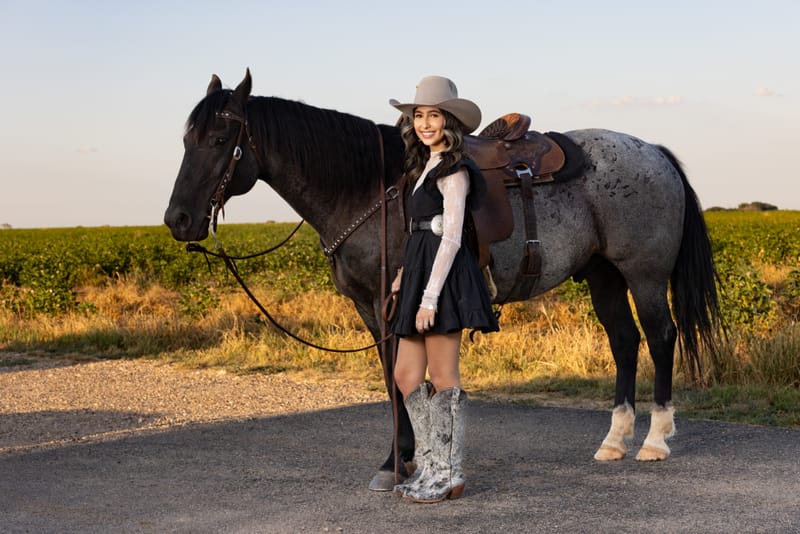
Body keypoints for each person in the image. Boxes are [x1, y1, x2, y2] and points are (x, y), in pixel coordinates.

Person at [389, 75, 499, 503]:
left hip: (444, 277)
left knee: (442, 375)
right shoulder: (423, 167)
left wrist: (430, 297)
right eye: (419, 115)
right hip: (419, 270)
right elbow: (421, 230)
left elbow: (450, 236)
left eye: (433, 115)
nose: (424, 123)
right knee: (405, 375)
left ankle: (449, 472)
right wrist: (405, 274)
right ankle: (429, 464)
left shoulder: (455, 170)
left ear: (449, 121)